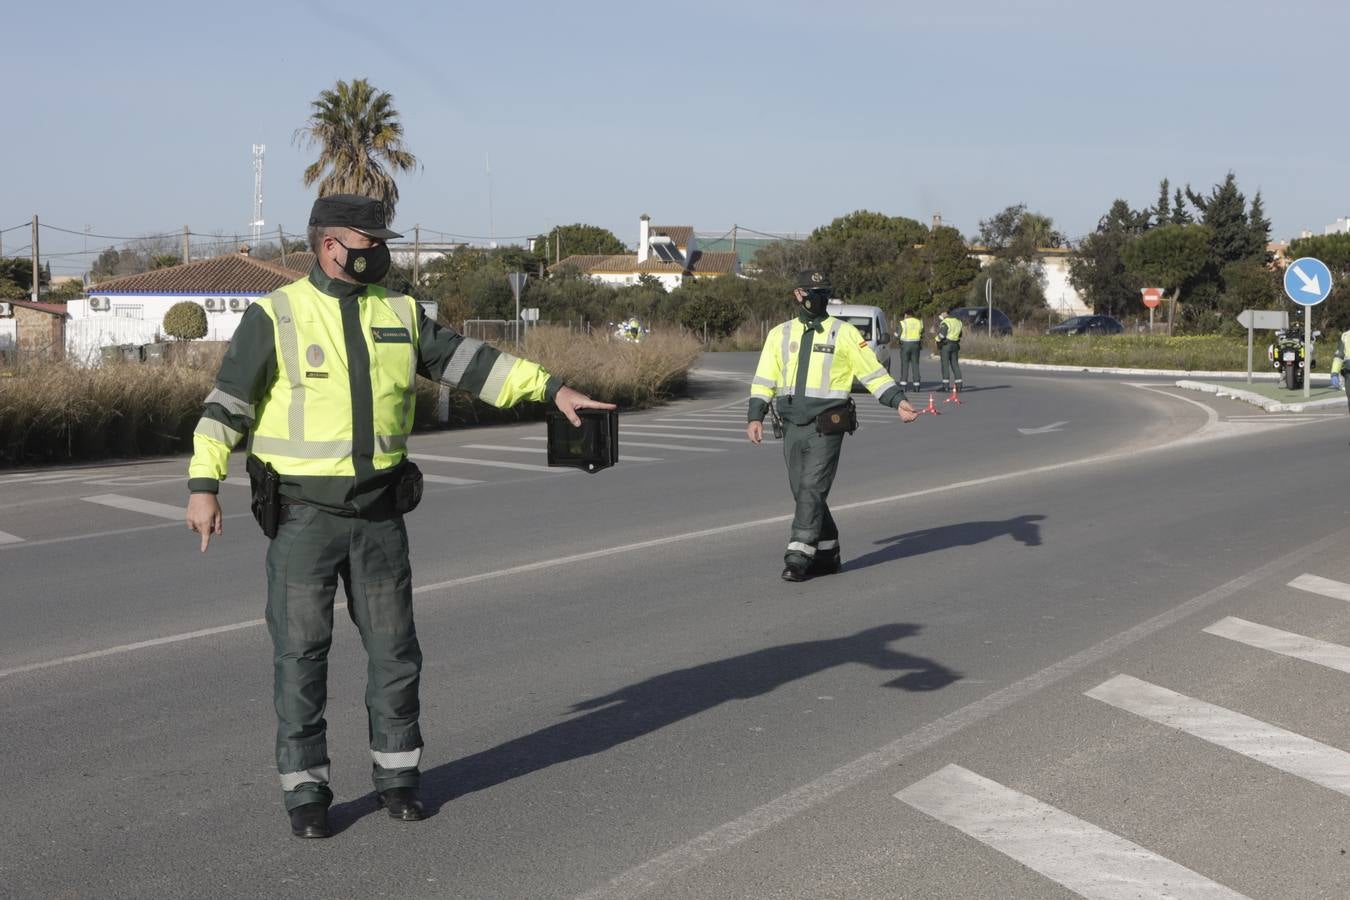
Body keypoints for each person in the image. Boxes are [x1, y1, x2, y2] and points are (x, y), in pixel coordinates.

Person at [184, 194, 614, 839]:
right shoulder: (276, 315)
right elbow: (227, 405)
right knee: (300, 655)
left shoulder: (401, 311)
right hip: (303, 516)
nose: (380, 250)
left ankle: (399, 778)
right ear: (331, 244)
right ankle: (306, 789)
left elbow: (472, 364)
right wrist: (203, 485)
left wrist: (553, 388)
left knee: (395, 653)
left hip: (380, 515)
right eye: (370, 239)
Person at [747, 270, 918, 581]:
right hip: (791, 424)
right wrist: (755, 416)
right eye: (813, 292)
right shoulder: (779, 334)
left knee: (812, 487)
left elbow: (872, 373)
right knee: (802, 491)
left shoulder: (844, 334)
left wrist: (898, 401)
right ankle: (828, 553)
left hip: (828, 424)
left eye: (824, 292)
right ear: (798, 295)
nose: (819, 298)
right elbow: (764, 379)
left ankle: (798, 554)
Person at [936, 308, 964, 393]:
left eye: (942, 313)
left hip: (946, 345)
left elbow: (941, 335)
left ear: (946, 313)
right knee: (955, 364)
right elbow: (960, 334)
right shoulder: (958, 322)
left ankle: (946, 386)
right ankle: (959, 386)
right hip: (955, 344)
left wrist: (937, 339)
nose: (941, 315)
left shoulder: (945, 322)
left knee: (945, 365)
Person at [897, 308, 924, 393]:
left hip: (905, 345)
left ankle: (903, 386)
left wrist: (895, 336)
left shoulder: (903, 322)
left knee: (905, 365)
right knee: (915, 365)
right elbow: (922, 333)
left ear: (906, 314)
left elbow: (898, 333)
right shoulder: (919, 322)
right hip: (916, 345)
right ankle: (916, 386)